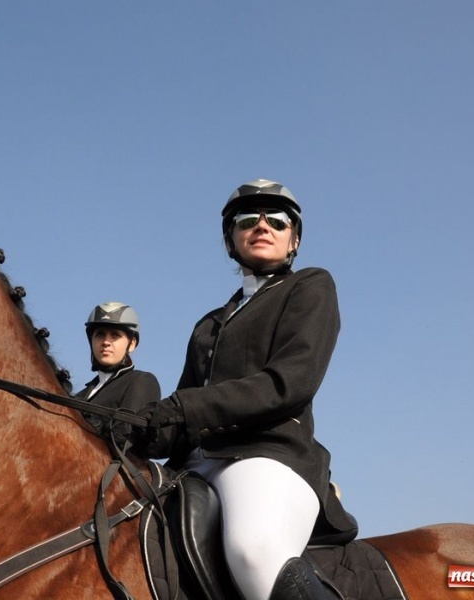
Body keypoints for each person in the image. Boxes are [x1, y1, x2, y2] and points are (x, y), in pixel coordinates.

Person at [132, 179, 358, 600]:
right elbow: (180, 418)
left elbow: (289, 384)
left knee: (253, 551)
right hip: (194, 466)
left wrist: (182, 406)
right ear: (230, 239)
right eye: (246, 220)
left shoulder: (310, 286)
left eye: (276, 220)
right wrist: (137, 426)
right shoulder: (208, 324)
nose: (261, 226)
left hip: (267, 455)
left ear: (293, 240)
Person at [75, 302, 160, 446]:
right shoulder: (78, 396)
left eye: (115, 335)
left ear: (132, 343)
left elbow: (123, 438)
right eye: (100, 334)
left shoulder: (141, 380)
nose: (106, 342)